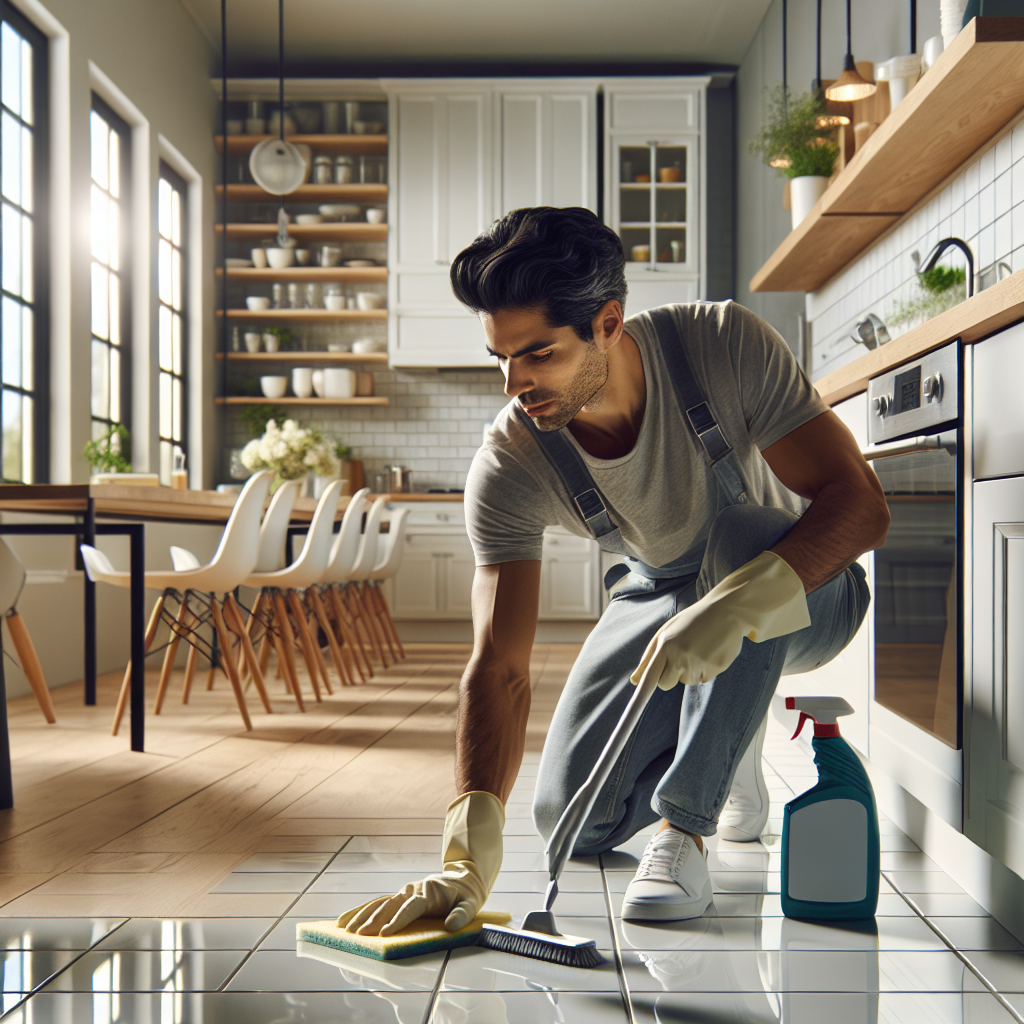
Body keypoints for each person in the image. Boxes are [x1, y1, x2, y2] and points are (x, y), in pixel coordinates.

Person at [336, 206, 888, 936]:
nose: (513, 382)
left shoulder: (719, 343)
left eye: (537, 354)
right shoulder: (512, 460)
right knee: (569, 820)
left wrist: (729, 609)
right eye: (500, 357)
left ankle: (685, 831)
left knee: (746, 532)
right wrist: (465, 855)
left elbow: (861, 508)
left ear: (607, 322)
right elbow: (498, 663)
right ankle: (731, 733)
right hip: (657, 592)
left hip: (810, 591)